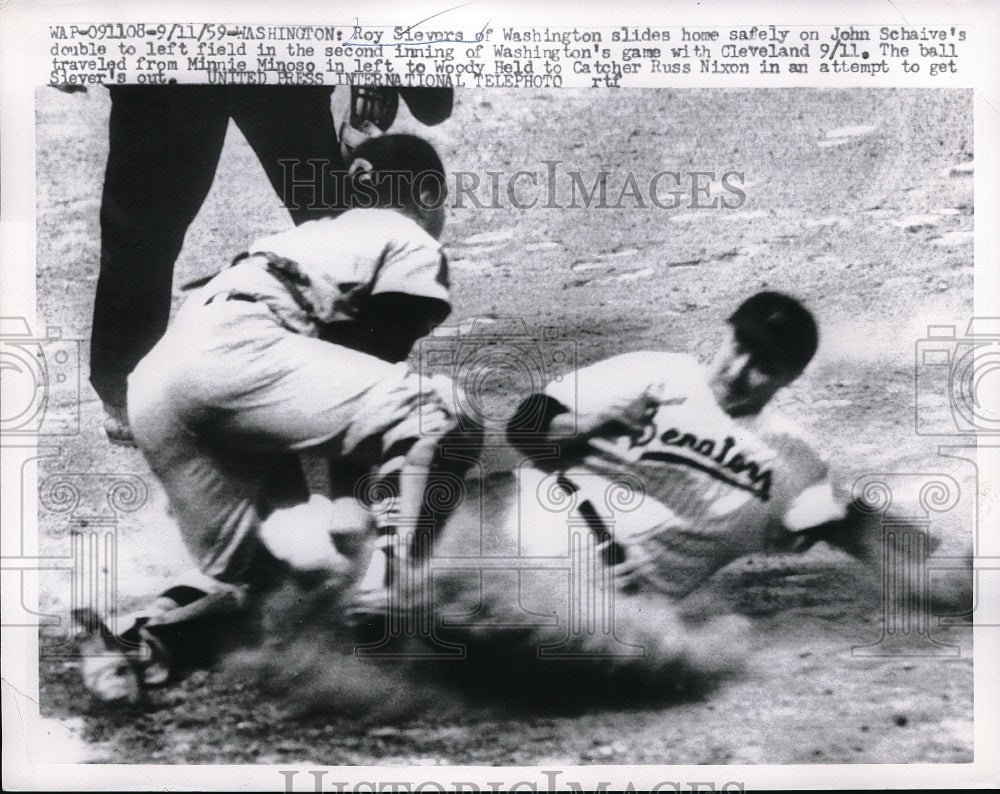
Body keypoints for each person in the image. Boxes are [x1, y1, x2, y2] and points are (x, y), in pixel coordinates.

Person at [75, 134, 476, 703]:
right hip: (241, 355)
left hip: (160, 386)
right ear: (429, 193)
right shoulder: (406, 235)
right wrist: (357, 515)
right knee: (439, 413)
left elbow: (307, 400)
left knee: (272, 582)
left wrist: (324, 522)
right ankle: (388, 593)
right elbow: (367, 360)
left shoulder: (302, 238)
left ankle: (136, 641)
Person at [90, 85, 454, 446]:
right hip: (175, 68)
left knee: (332, 213)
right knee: (141, 227)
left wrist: (376, 80)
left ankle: (364, 373)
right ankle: (123, 388)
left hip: (276, 66)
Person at [504, 291, 852, 600]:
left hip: (616, 619)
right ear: (726, 332)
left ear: (792, 376)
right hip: (514, 559)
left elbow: (856, 528)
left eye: (765, 366)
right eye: (739, 347)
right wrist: (588, 425)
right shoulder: (654, 374)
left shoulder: (796, 459)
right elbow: (523, 427)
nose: (738, 371)